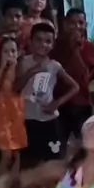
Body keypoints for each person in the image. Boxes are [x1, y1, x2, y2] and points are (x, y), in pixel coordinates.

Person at [15, 23, 79, 165]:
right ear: (30, 41)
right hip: (27, 119)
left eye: (48, 41)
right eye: (38, 40)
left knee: (53, 159)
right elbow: (16, 88)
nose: (43, 44)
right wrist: (30, 72)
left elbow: (75, 87)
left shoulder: (54, 66)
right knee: (30, 160)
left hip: (49, 120)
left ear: (53, 44)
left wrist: (57, 103)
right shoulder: (23, 62)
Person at [52, 8, 94, 147]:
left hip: (81, 103)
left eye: (80, 23)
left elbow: (85, 75)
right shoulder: (54, 45)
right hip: (59, 101)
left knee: (84, 144)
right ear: (65, 24)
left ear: (86, 25)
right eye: (72, 23)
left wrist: (75, 49)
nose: (76, 27)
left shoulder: (88, 47)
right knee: (57, 145)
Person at [0, 36, 27, 175]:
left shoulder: (20, 71)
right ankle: (1, 182)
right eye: (6, 51)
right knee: (6, 155)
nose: (10, 54)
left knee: (18, 154)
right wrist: (3, 69)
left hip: (18, 117)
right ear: (0, 54)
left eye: (13, 51)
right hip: (3, 118)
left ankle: (13, 182)